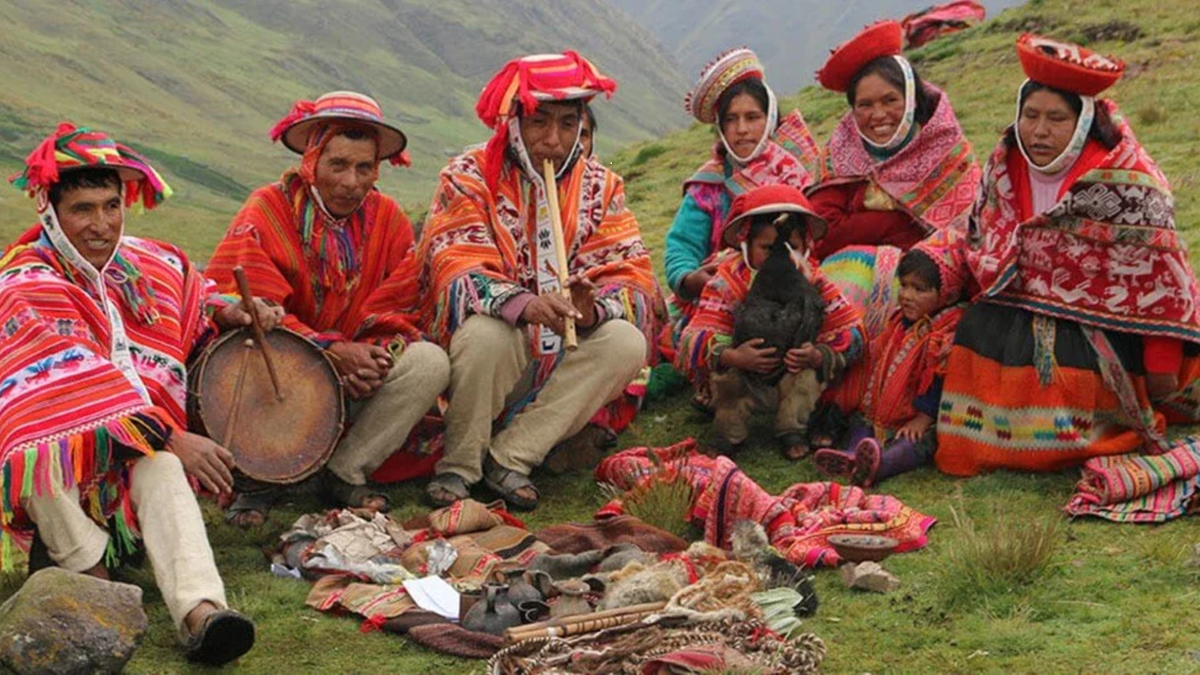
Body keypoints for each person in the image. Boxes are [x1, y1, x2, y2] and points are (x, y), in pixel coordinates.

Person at [0, 124, 265, 664]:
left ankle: (202, 613)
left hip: (125, 458)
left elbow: (197, 294)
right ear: (50, 212)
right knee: (39, 456)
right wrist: (169, 434)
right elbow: (69, 390)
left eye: (112, 206)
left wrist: (231, 310)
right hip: (62, 466)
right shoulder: (25, 282)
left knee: (162, 468)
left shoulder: (148, 265)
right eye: (82, 210)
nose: (101, 225)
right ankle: (96, 579)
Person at [937, 34, 1200, 476]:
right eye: (1030, 115)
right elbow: (982, 240)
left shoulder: (1129, 182)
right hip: (1015, 309)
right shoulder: (1005, 166)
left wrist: (1161, 365)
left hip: (1106, 327)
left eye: (1056, 118)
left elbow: (1160, 280)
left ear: (1083, 123)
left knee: (1061, 365)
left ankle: (1067, 440)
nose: (1039, 131)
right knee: (975, 328)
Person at [420, 51, 658, 510]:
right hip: (493, 359)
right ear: (513, 123)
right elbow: (456, 262)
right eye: (539, 123)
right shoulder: (468, 175)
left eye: (568, 125)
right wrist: (525, 306)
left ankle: (511, 456)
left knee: (626, 342)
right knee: (488, 334)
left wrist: (592, 311)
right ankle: (460, 464)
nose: (553, 141)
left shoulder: (602, 186)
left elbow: (629, 271)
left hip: (563, 366)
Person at [205, 91, 450, 526]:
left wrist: (373, 357)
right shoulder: (268, 209)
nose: (351, 182)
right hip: (279, 368)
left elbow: (400, 308)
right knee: (249, 347)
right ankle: (258, 478)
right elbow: (248, 308)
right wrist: (328, 352)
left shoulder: (389, 219)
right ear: (311, 161)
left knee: (429, 362)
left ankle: (342, 471)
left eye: (364, 168)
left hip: (352, 377)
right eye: (337, 165)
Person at [676, 185, 864, 460]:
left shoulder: (815, 281)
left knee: (808, 378)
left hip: (792, 373)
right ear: (746, 245)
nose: (782, 255)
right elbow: (692, 340)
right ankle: (728, 434)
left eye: (792, 247)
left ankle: (792, 430)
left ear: (806, 246)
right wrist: (733, 357)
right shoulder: (727, 282)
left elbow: (852, 334)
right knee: (729, 381)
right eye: (767, 247)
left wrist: (816, 355)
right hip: (742, 375)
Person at [662, 49, 820, 368]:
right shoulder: (709, 183)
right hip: (724, 291)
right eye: (731, 119)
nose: (742, 129)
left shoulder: (799, 170)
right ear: (720, 127)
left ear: (770, 118)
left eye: (753, 117)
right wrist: (690, 278)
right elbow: (681, 245)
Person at [807, 20, 980, 260]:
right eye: (865, 105)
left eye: (890, 100)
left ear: (911, 100)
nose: (878, 115)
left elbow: (969, 233)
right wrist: (896, 226)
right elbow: (819, 234)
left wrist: (861, 224)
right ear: (853, 110)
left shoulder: (945, 149)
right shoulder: (841, 155)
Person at [813, 236, 966, 485]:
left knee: (917, 442)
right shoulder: (899, 322)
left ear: (947, 294)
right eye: (903, 285)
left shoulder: (947, 330)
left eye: (919, 289)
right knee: (860, 423)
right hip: (880, 413)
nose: (906, 295)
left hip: (917, 419)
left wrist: (923, 418)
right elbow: (876, 354)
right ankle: (853, 454)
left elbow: (939, 376)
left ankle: (882, 464)